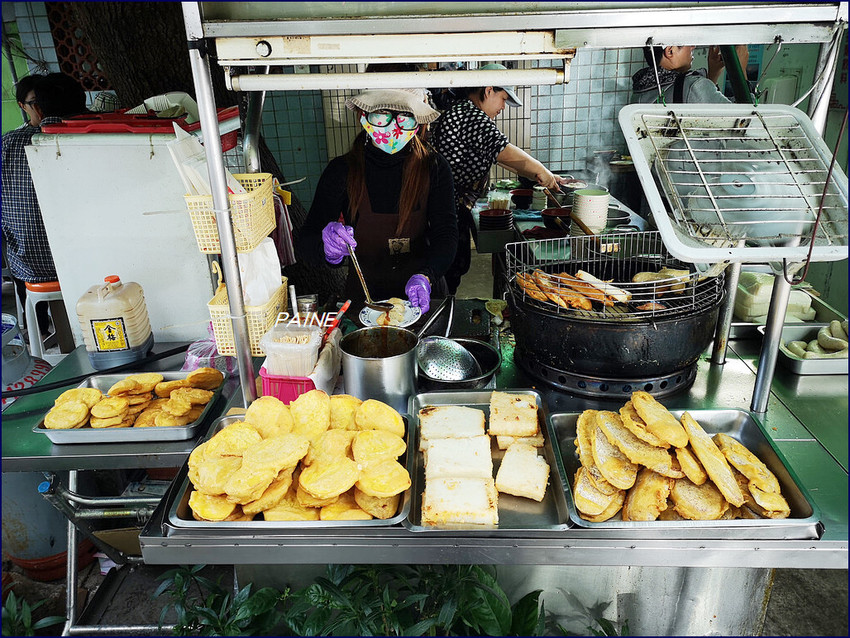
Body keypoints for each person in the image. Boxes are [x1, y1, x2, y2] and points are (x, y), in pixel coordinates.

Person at [299, 88, 457, 314]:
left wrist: (427, 275)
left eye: (404, 117)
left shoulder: (434, 167)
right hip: (364, 303)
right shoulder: (341, 171)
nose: (393, 128)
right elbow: (307, 241)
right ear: (364, 115)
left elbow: (447, 234)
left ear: (418, 122)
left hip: (422, 299)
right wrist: (327, 249)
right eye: (382, 116)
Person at [430, 63, 566, 294]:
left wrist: (540, 175)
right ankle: (441, 314)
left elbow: (502, 159)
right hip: (448, 206)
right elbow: (503, 151)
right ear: (489, 90)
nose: (504, 106)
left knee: (454, 266)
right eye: (503, 98)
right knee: (450, 267)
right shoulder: (470, 115)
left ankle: (443, 307)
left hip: (452, 203)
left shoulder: (463, 111)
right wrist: (542, 171)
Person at [2, 73, 87, 339]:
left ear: (37, 108)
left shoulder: (7, 144)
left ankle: (37, 333)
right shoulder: (88, 141)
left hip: (30, 266)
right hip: (85, 264)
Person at [632, 43, 750, 104]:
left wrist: (713, 75)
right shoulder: (693, 86)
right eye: (687, 42)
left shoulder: (641, 90)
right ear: (670, 51)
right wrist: (741, 70)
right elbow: (745, 123)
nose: (693, 47)